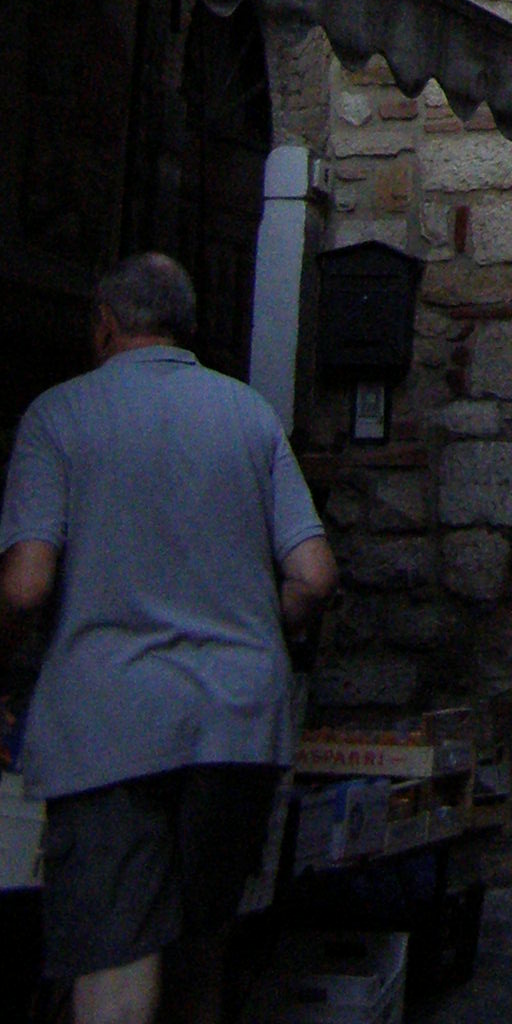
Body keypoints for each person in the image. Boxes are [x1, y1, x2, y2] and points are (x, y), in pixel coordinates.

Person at [0, 253, 339, 1024]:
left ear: (104, 325)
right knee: (199, 950)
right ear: (187, 328)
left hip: (109, 727)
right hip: (237, 728)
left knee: (117, 956)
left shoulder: (58, 417)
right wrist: (256, 621)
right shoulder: (249, 414)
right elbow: (315, 575)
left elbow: (24, 586)